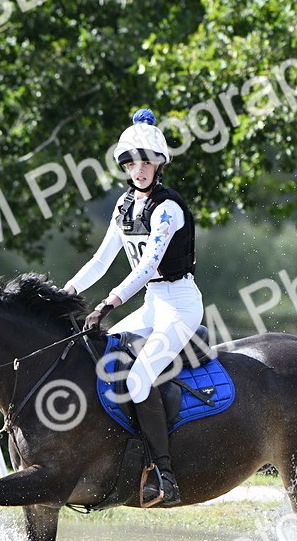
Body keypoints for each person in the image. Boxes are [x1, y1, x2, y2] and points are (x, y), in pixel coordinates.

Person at [63, 108, 202, 506]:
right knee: (103, 352)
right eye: (131, 163)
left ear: (159, 164)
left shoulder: (167, 208)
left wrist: (110, 301)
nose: (138, 170)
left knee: (140, 378)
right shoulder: (124, 205)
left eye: (146, 162)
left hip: (181, 306)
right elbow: (101, 259)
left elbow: (147, 266)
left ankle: (164, 474)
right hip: (153, 304)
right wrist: (65, 292)